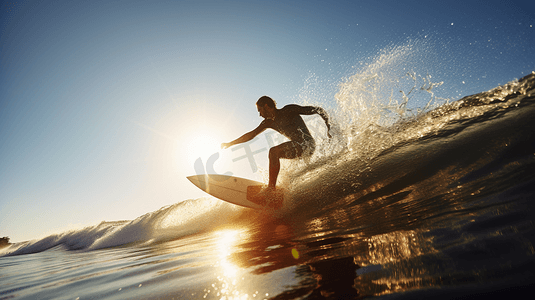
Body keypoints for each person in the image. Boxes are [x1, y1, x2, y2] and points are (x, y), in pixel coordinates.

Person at [221, 96, 332, 194]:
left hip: (307, 145)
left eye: (260, 110)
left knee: (274, 151)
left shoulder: (289, 110)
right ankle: (282, 189)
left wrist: (329, 126)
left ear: (266, 106)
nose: (260, 114)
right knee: (274, 154)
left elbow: (318, 110)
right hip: (297, 147)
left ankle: (270, 189)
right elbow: (251, 135)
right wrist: (231, 143)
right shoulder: (268, 122)